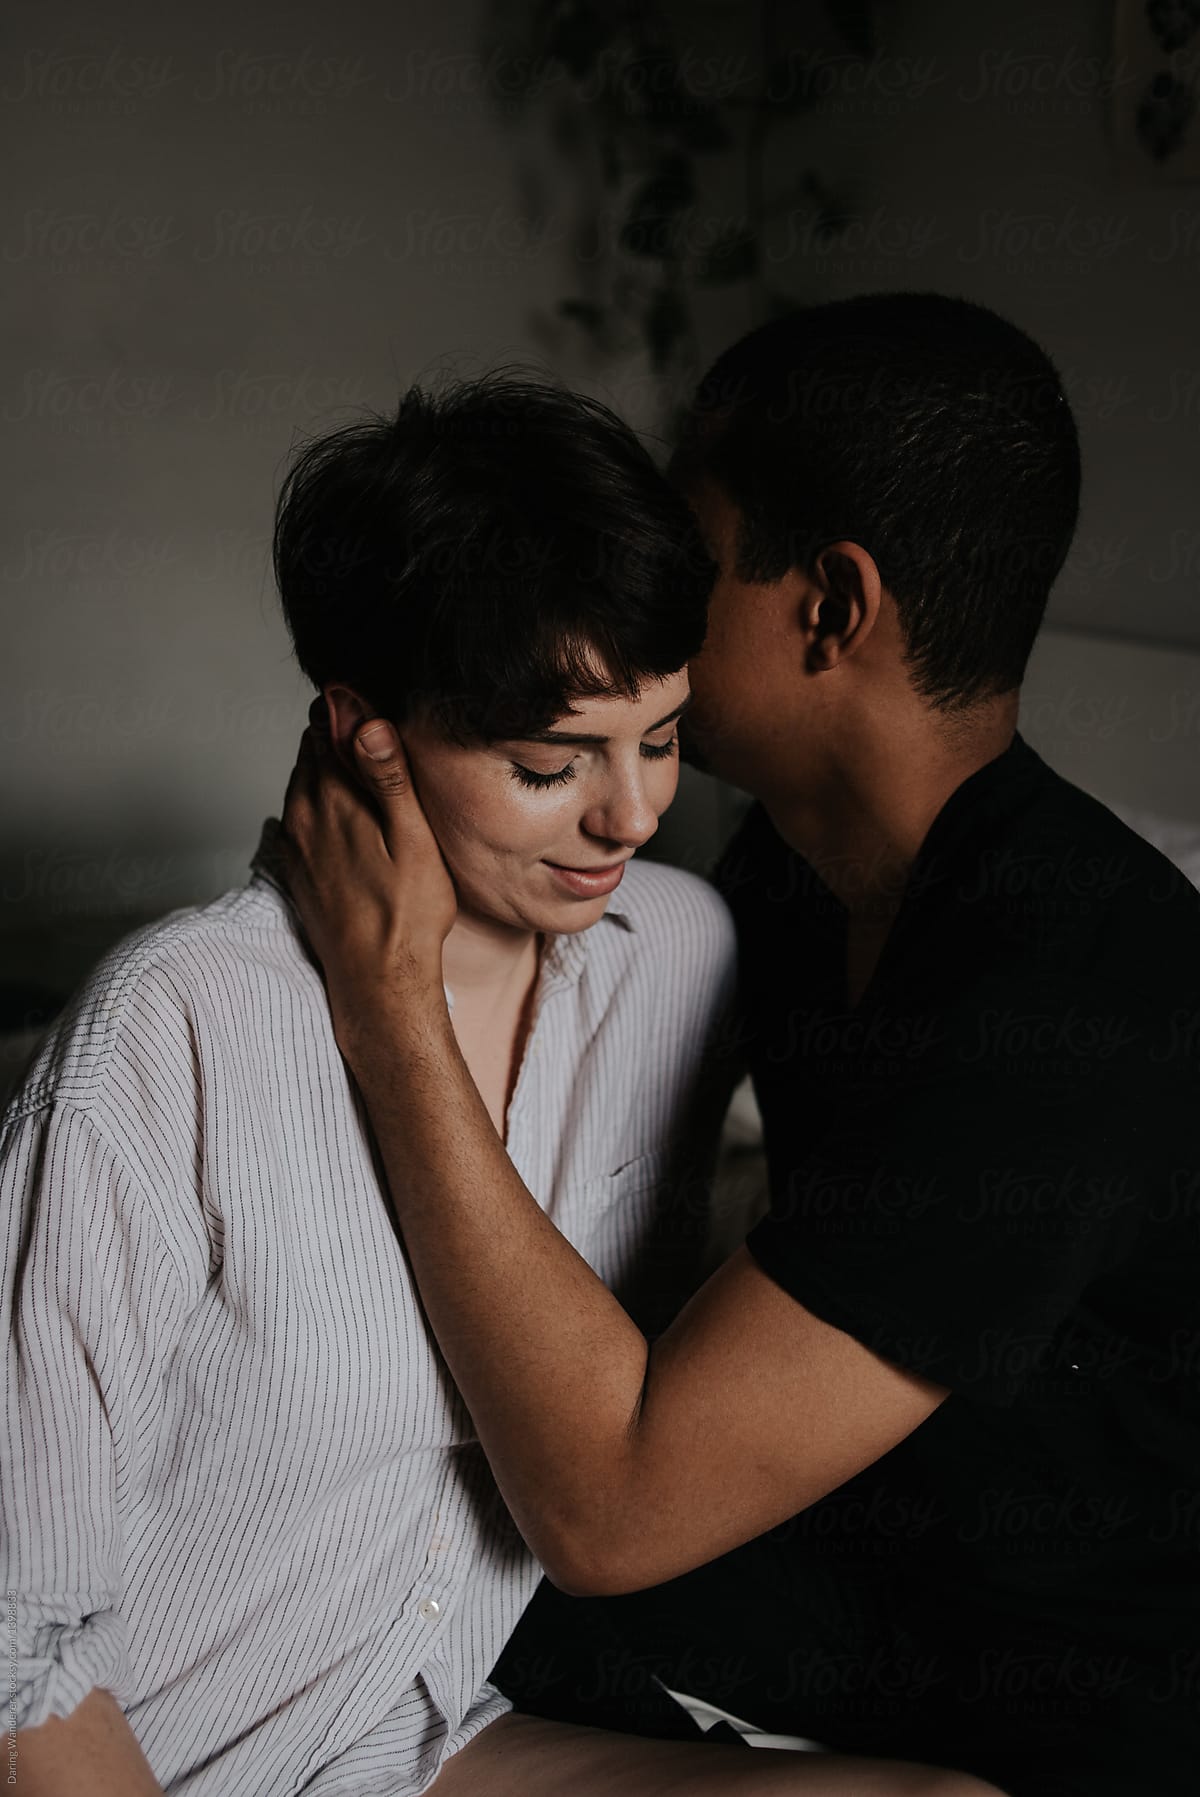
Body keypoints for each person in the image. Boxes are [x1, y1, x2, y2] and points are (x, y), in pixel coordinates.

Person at [0, 374, 990, 1797]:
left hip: (412, 1741)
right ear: (366, 730)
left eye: (659, 739)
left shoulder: (685, 956)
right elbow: (12, 1639)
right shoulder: (178, 1025)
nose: (631, 816)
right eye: (549, 763)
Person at [272, 293, 1200, 1797]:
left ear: (829, 605)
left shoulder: (1072, 992)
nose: (636, 590)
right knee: (344, 1596)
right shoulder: (782, 876)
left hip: (1071, 1696)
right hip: (864, 1565)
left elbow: (613, 1507)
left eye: (683, 552)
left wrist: (391, 1012)